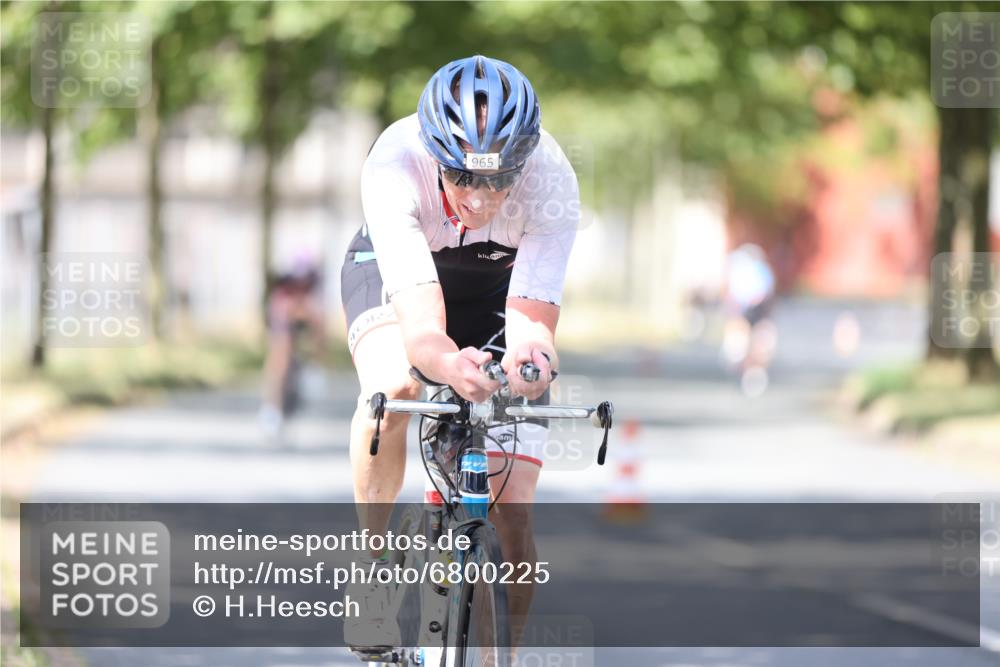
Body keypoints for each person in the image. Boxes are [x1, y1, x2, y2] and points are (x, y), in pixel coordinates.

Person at [340, 54, 579, 650]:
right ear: (434, 158)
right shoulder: (394, 162)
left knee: (514, 515)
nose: (479, 198)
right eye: (463, 177)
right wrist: (449, 367)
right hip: (401, 276)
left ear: (523, 162)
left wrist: (530, 366)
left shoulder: (551, 177)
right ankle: (372, 571)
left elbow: (532, 326)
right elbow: (423, 334)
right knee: (395, 389)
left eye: (499, 179)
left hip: (499, 288)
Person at [258, 260, 325, 439]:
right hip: (282, 325)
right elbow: (281, 326)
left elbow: (318, 323)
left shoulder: (311, 291)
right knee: (280, 354)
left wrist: (316, 359)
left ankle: (312, 369)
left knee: (318, 328)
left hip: (300, 325)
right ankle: (272, 408)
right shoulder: (282, 296)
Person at [720, 243, 777, 396]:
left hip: (758, 310)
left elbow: (766, 293)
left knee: (760, 344)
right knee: (744, 342)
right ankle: (743, 364)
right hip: (745, 311)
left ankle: (753, 371)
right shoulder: (739, 271)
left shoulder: (760, 271)